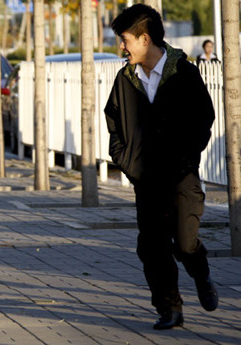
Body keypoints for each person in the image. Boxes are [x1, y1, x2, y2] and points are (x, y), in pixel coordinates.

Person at [104, 4, 218, 330]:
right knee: (152, 247)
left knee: (184, 243)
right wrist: (127, 161)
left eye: (125, 40)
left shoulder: (184, 73)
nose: (121, 47)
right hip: (147, 180)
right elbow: (114, 123)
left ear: (144, 38)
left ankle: (201, 272)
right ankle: (170, 308)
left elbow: (203, 119)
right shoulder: (125, 79)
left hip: (182, 176)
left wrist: (186, 158)